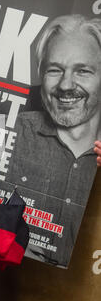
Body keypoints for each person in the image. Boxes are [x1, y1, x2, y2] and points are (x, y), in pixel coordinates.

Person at [5, 14, 101, 266]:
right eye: (55, 70)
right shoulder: (10, 132)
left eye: (83, 71)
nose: (66, 85)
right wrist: (5, 242)